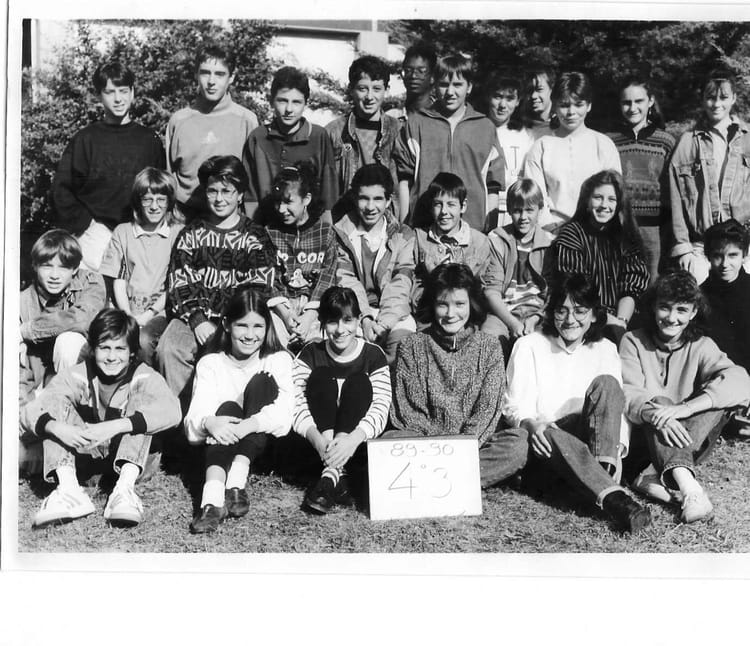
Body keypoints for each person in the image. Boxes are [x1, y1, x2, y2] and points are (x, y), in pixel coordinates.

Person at [502, 273, 652, 533]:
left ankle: (599, 480)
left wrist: (617, 449)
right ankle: (612, 496)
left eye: (580, 311)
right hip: (549, 445)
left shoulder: (606, 347)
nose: (570, 320)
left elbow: (615, 406)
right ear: (551, 313)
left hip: (595, 442)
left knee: (607, 383)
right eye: (562, 311)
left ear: (593, 315)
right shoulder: (529, 345)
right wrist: (531, 425)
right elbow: (514, 405)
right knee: (550, 431)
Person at [20, 309, 181, 529]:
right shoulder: (78, 373)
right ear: (93, 348)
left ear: (131, 352)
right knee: (54, 405)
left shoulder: (144, 375)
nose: (112, 357)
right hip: (90, 452)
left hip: (134, 461)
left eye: (120, 349)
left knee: (143, 406)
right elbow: (31, 410)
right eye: (104, 348)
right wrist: (56, 427)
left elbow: (173, 411)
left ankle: (124, 491)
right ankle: (69, 489)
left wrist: (115, 426)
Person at [621, 271, 750, 522]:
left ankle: (650, 475)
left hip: (689, 437)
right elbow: (629, 391)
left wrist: (686, 409)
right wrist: (657, 414)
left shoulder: (701, 344)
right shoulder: (632, 341)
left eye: (681, 310)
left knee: (717, 400)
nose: (672, 318)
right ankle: (691, 489)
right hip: (647, 438)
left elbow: (741, 381)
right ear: (653, 307)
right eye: (665, 307)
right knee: (659, 403)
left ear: (693, 312)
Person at [389, 263, 527, 489]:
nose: (451, 314)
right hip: (424, 447)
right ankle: (460, 481)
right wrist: (441, 448)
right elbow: (409, 412)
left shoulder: (489, 347)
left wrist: (460, 446)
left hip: (473, 446)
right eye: (442, 304)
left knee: (517, 444)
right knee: (389, 442)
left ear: (472, 304)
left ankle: (430, 482)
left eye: (460, 304)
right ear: (432, 304)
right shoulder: (411, 345)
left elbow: (487, 410)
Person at [155, 155, 281, 402]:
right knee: (170, 347)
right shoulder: (191, 234)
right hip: (194, 319)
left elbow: (258, 287)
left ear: (240, 195)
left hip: (238, 321)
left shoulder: (255, 236)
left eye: (226, 191)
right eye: (212, 191)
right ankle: (181, 418)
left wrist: (229, 323)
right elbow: (180, 282)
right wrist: (198, 320)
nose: (219, 199)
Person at [184, 287, 294, 533]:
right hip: (220, 446)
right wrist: (209, 423)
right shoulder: (211, 363)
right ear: (226, 324)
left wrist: (246, 426)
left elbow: (284, 417)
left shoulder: (277, 359)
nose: (250, 335)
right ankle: (212, 501)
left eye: (258, 326)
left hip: (264, 448)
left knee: (262, 382)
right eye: (242, 326)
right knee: (228, 408)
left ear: (267, 327)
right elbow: (194, 421)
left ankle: (236, 481)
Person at [51, 60, 165, 271]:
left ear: (132, 92)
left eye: (123, 91)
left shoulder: (149, 140)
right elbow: (62, 190)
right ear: (99, 96)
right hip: (95, 238)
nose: (118, 99)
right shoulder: (85, 140)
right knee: (95, 291)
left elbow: (161, 189)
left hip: (139, 233)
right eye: (110, 92)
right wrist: (86, 226)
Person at [290, 286, 392, 514]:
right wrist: (320, 442)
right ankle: (335, 474)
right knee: (321, 377)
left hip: (355, 445)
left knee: (359, 383)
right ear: (322, 323)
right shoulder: (311, 353)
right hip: (317, 444)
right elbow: (296, 404)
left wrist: (351, 440)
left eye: (347, 320)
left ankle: (329, 477)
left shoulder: (373, 355)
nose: (340, 330)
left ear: (358, 320)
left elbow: (381, 407)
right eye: (332, 322)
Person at [393, 54, 505, 231]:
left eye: (458, 85)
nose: (450, 92)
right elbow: (404, 181)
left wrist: (489, 231)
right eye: (444, 84)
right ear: (434, 85)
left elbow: (493, 187)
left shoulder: (485, 128)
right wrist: (405, 228)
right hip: (424, 229)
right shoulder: (416, 124)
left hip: (472, 230)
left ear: (469, 87)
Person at [669, 71, 750, 284]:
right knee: (702, 299)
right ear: (702, 99)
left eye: (723, 97)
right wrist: (683, 248)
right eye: (711, 97)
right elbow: (676, 199)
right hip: (701, 247)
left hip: (744, 244)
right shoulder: (687, 142)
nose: (716, 104)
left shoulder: (747, 139)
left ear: (734, 98)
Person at [99, 168, 184, 366]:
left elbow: (176, 283)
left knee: (143, 340)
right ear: (138, 201)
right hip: (127, 310)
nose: (154, 206)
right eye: (147, 200)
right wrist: (128, 315)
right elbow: (119, 278)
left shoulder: (178, 233)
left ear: (169, 202)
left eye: (161, 200)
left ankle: (147, 380)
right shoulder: (123, 232)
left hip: (161, 312)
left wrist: (148, 314)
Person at [553, 170, 649, 343]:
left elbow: (631, 287)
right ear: (587, 201)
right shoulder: (572, 234)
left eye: (611, 199)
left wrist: (621, 322)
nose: (604, 205)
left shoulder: (627, 235)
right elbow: (577, 288)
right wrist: (608, 320)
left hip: (623, 318)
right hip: (583, 317)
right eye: (598, 197)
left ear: (619, 204)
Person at [409, 173, 508, 341]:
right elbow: (414, 285)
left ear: (463, 206)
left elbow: (486, 287)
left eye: (451, 205)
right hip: (431, 316)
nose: (444, 212)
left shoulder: (480, 242)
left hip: (470, 318)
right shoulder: (419, 239)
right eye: (438, 204)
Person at [334, 164, 416, 364]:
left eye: (378, 199)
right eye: (364, 198)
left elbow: (400, 283)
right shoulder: (341, 233)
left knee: (402, 345)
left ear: (388, 200)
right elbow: (346, 280)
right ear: (355, 199)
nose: (370, 207)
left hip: (392, 312)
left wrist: (384, 323)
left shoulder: (403, 235)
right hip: (354, 310)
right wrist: (365, 319)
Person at [166, 45, 259, 220]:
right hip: (185, 217)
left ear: (231, 77)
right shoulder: (179, 120)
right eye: (205, 73)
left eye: (219, 74)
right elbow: (169, 175)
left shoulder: (247, 120)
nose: (211, 81)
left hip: (230, 218)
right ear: (196, 75)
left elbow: (252, 181)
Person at [523, 71, 622, 234]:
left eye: (578, 104)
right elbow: (534, 198)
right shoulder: (541, 146)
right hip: (552, 234)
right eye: (564, 105)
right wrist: (553, 230)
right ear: (555, 105)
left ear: (589, 105)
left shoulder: (604, 145)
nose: (571, 112)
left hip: (596, 233)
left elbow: (614, 195)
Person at [19, 230, 106, 405]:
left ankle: (73, 406)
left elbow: (81, 319)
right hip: (42, 378)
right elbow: (22, 368)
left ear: (75, 269)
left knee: (68, 342)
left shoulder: (91, 281)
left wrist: (27, 330)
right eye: (47, 266)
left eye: (63, 267)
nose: (54, 275)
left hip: (88, 373)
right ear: (35, 266)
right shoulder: (23, 301)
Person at [244, 66, 338, 221]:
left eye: (296, 102)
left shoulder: (318, 136)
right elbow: (250, 195)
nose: (289, 109)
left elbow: (328, 193)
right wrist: (255, 229)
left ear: (306, 103)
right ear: (271, 101)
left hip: (309, 227)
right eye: (282, 101)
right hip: (266, 227)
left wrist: (325, 229)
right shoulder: (258, 137)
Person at [262, 162, 338, 352]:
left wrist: (310, 315)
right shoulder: (270, 233)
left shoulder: (325, 232)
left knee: (318, 348)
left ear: (306, 199)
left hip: (315, 308)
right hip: (281, 308)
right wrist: (285, 314)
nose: (281, 209)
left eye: (288, 202)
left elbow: (327, 277)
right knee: (273, 344)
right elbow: (268, 278)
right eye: (278, 202)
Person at [607, 77, 675, 282]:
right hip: (619, 226)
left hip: (656, 230)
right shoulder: (609, 140)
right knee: (620, 280)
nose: (632, 108)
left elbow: (673, 189)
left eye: (639, 101)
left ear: (650, 101)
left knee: (652, 283)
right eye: (626, 102)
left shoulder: (666, 141)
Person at [325, 55, 402, 218]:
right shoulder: (334, 132)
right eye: (362, 89)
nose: (369, 97)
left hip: (388, 220)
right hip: (345, 220)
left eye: (376, 89)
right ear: (351, 89)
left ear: (386, 90)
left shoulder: (398, 131)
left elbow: (405, 185)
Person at [486, 178, 552, 356]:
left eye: (529, 210)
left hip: (538, 313)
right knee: (489, 338)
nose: (523, 217)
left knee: (545, 343)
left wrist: (537, 317)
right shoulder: (497, 240)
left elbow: (553, 293)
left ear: (540, 210)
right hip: (503, 312)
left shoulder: (549, 244)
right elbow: (491, 292)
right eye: (517, 210)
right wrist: (512, 323)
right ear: (509, 209)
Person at [483, 71, 535, 226]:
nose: (502, 105)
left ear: (518, 101)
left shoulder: (527, 136)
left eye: (509, 98)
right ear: (488, 97)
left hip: (518, 213)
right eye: (498, 96)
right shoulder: (478, 130)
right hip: (484, 210)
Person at [701, 220, 750, 374]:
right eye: (717, 256)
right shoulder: (700, 296)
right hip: (718, 374)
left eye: (732, 255)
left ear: (744, 255)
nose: (725, 264)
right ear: (708, 256)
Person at [386, 41, 437, 122]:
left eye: (421, 71)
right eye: (408, 70)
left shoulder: (444, 117)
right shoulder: (391, 118)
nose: (413, 76)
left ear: (433, 77)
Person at [522, 66, 556, 139]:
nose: (533, 96)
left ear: (552, 90)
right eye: (529, 90)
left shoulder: (563, 126)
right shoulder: (521, 128)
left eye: (539, 89)